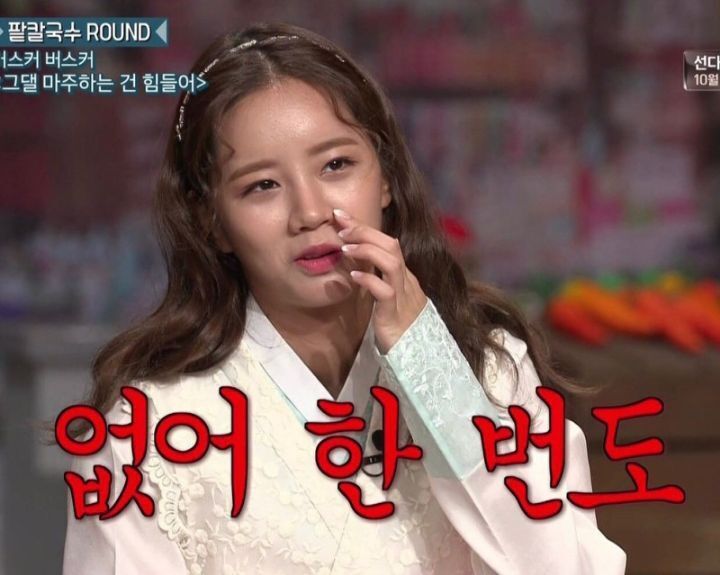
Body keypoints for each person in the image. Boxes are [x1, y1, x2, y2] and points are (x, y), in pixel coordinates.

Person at [61, 22, 627, 575]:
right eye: (262, 186)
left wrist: (429, 364)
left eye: (336, 165)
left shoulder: (489, 369)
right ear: (212, 222)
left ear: (387, 178)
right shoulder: (146, 428)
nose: (310, 213)